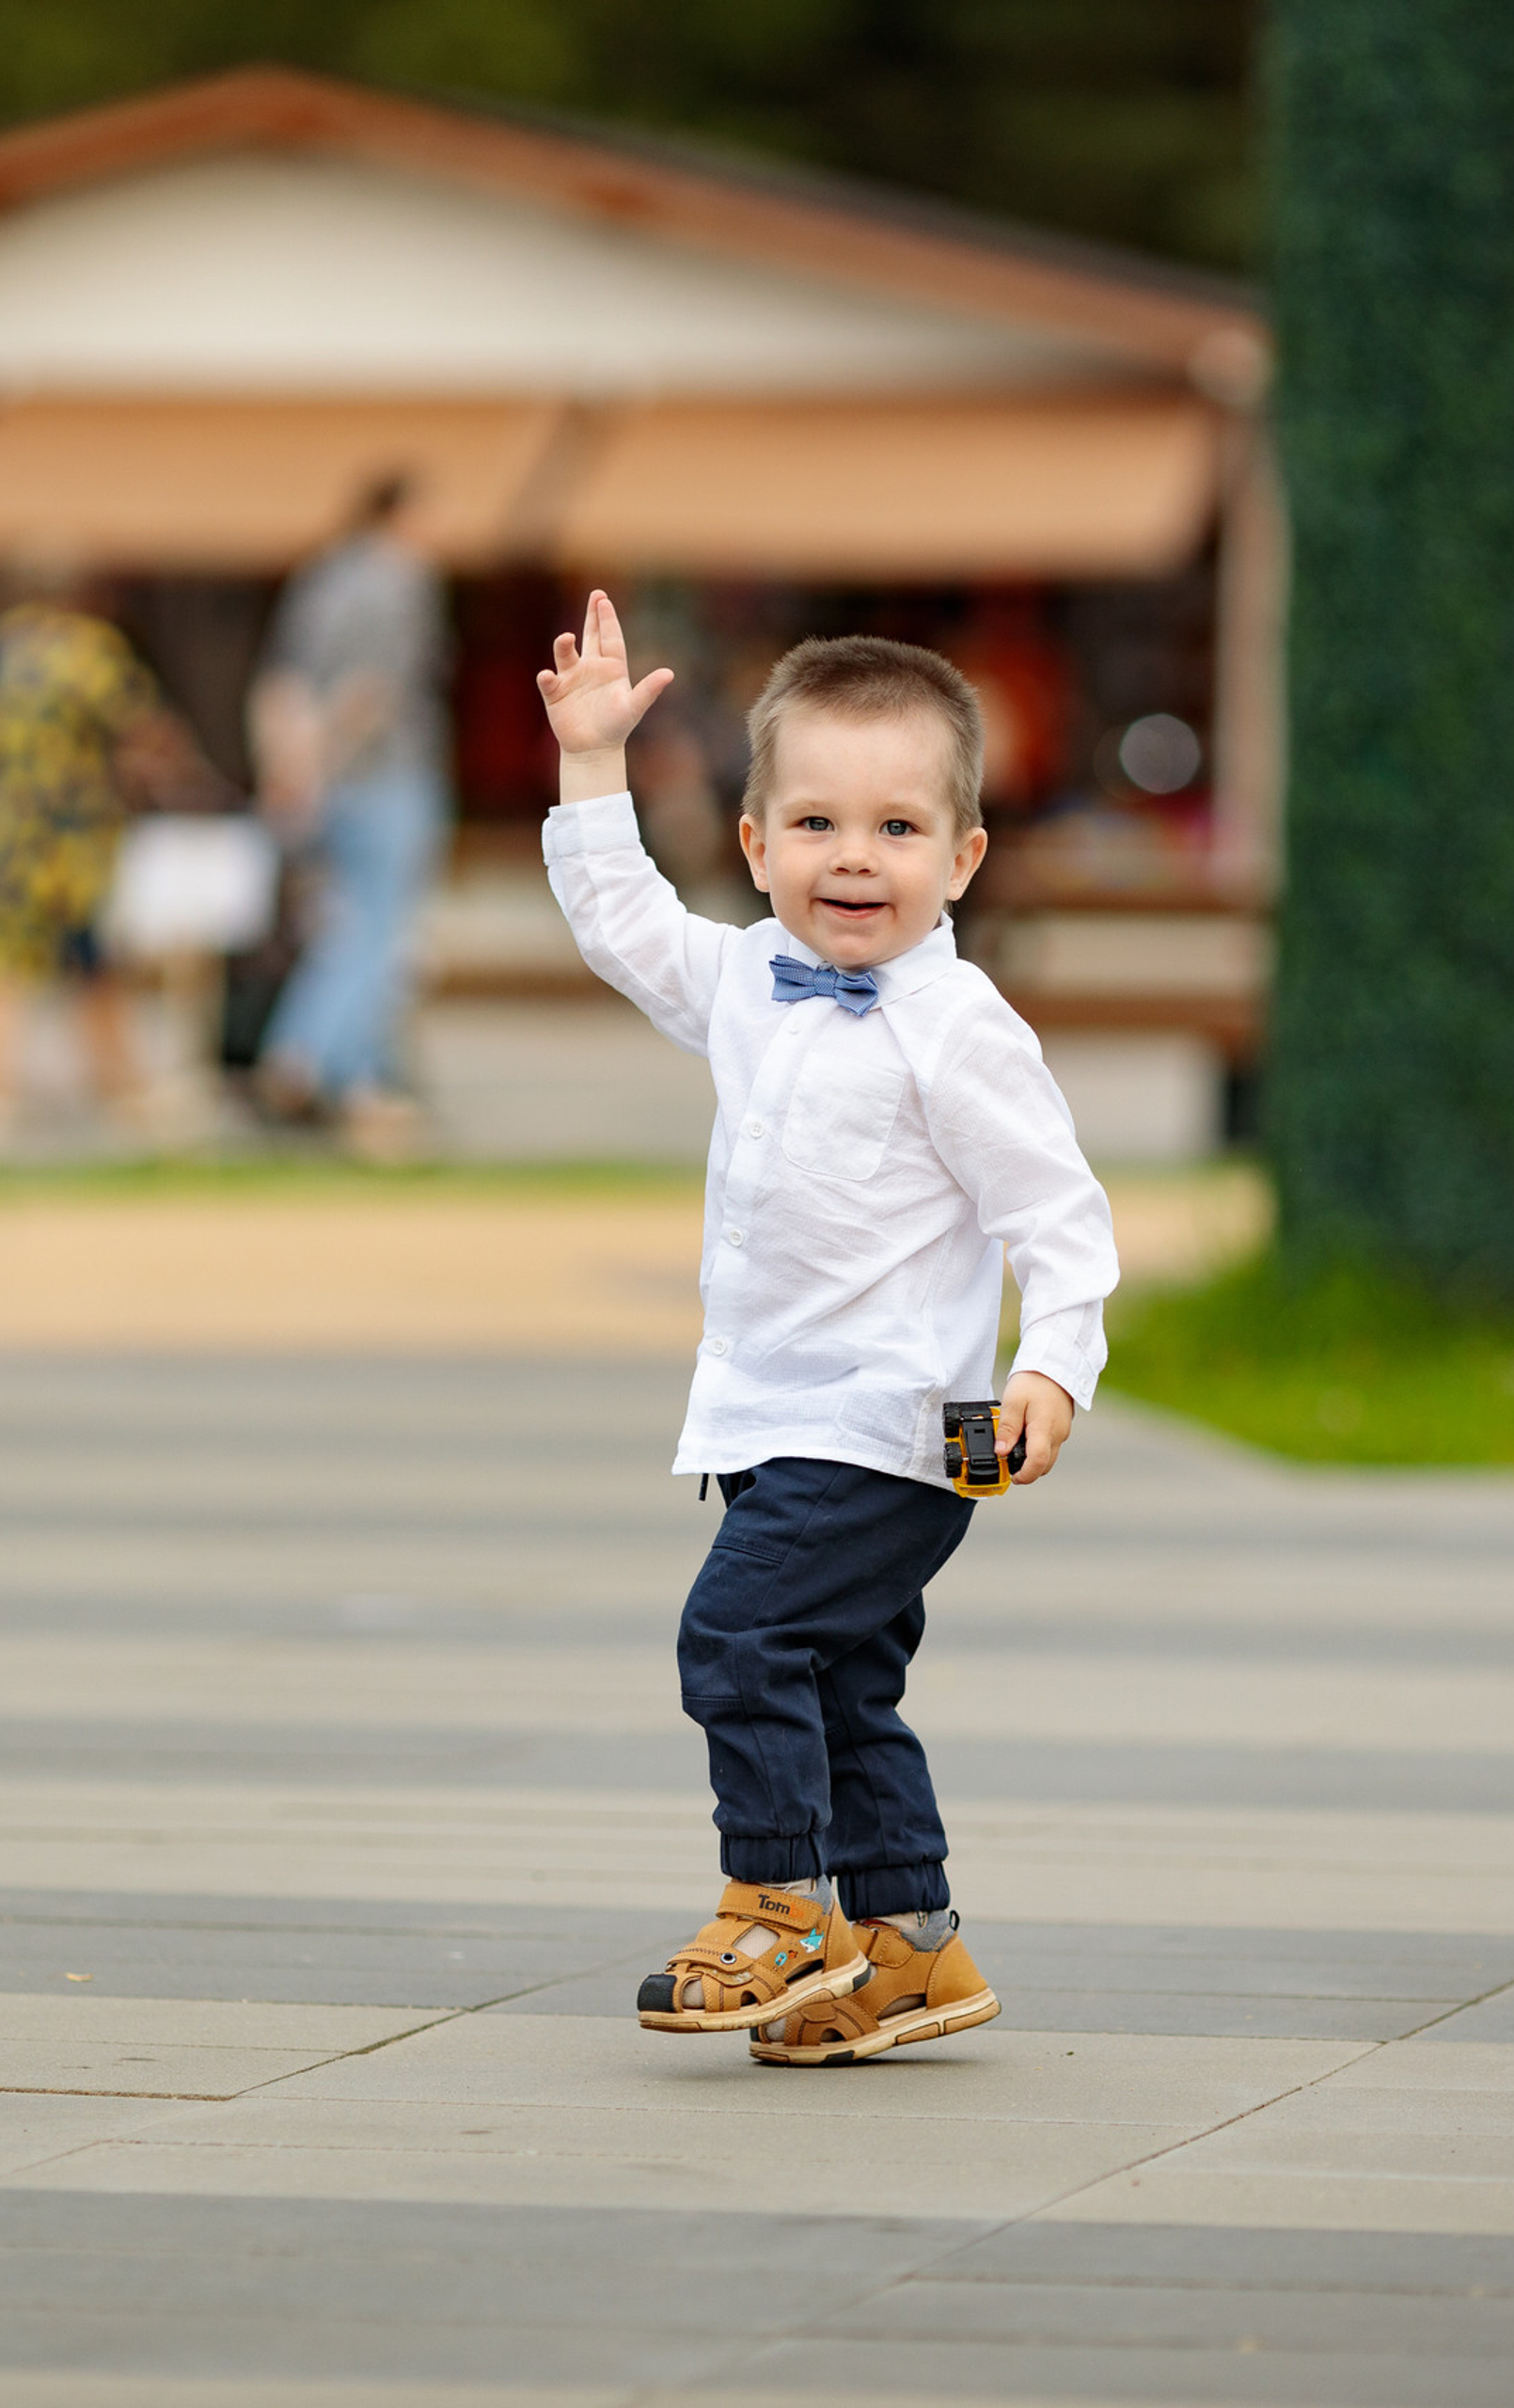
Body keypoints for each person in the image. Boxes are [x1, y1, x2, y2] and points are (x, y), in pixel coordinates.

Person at [536, 594, 1119, 2065]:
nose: (854, 858)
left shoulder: (961, 1028)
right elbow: (621, 924)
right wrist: (593, 762)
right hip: (766, 1408)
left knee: (739, 1632)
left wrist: (1054, 1362)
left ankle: (780, 1902)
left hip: (887, 1424)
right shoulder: (746, 980)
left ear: (964, 854)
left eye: (898, 830)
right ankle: (913, 1948)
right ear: (754, 846)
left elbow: (1059, 1213)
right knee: (842, 1678)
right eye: (815, 825)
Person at [249, 472, 449, 1163]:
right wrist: (324, 758)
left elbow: (282, 683)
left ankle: (361, 1089)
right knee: (378, 930)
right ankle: (300, 1059)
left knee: (347, 926)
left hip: (322, 782)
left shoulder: (321, 579)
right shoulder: (398, 583)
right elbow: (374, 691)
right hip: (381, 773)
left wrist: (290, 768)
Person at [0, 575, 168, 1153]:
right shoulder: (89, 649)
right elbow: (143, 729)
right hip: (65, 839)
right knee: (90, 966)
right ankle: (122, 1095)